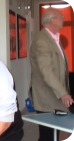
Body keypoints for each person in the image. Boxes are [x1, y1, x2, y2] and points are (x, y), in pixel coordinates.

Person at [29, 7, 73, 141]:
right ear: (53, 20)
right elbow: (46, 71)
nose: (63, 19)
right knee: (47, 134)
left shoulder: (54, 38)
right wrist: (63, 93)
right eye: (61, 17)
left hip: (54, 95)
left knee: (54, 132)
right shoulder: (42, 41)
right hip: (47, 96)